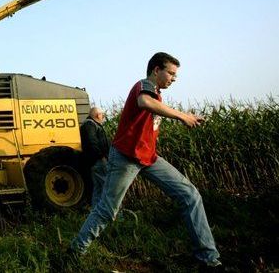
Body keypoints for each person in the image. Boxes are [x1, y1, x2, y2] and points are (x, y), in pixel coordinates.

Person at [69, 52, 222, 268]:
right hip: (125, 158)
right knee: (107, 210)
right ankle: (74, 252)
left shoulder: (157, 94)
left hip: (149, 157)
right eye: (170, 73)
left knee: (190, 195)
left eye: (175, 75)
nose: (173, 78)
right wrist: (182, 116)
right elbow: (144, 102)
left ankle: (209, 259)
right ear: (156, 70)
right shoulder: (144, 86)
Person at [79, 106, 111, 206]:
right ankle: (115, 214)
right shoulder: (90, 124)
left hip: (95, 161)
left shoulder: (90, 124)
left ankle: (95, 213)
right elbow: (92, 141)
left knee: (98, 188)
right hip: (98, 161)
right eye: (102, 115)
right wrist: (101, 156)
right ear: (98, 115)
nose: (103, 117)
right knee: (108, 186)